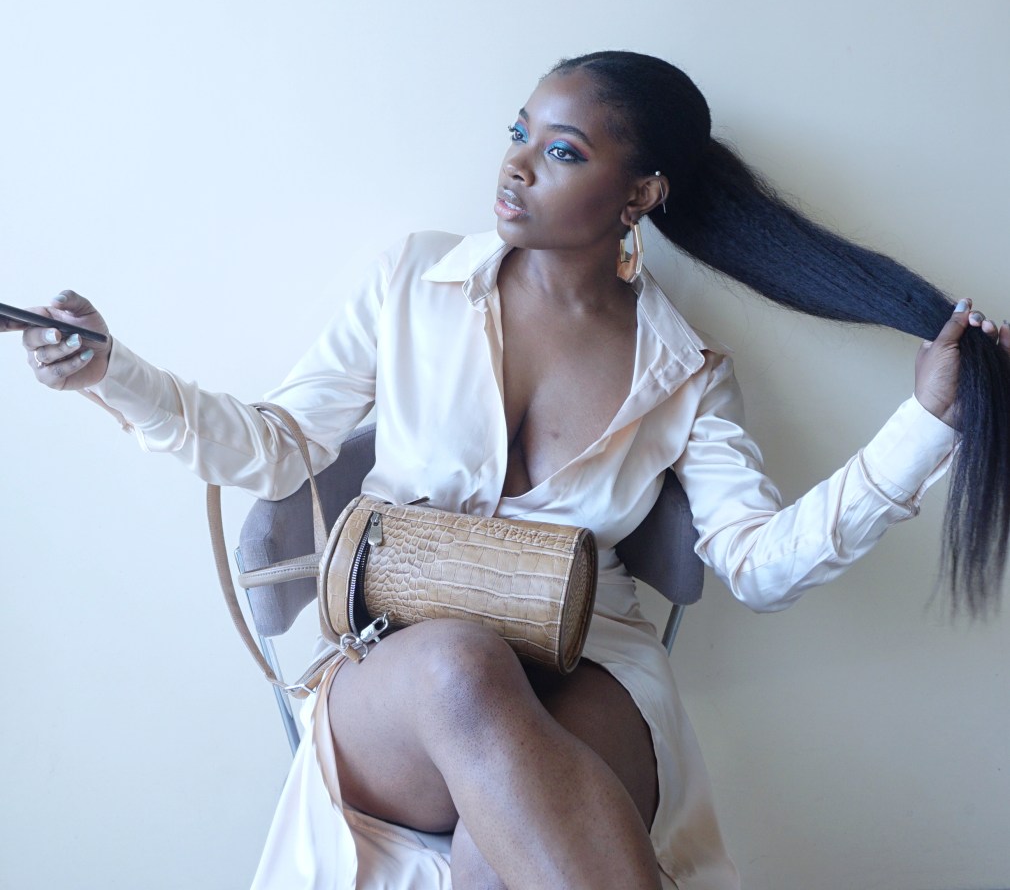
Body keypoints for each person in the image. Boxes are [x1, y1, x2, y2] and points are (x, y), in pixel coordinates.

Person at [4, 51, 1008, 890]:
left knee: (504, 858)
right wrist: (111, 371)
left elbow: (756, 563)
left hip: (589, 664)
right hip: (399, 659)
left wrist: (922, 421)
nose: (517, 164)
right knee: (462, 664)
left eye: (560, 150)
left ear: (640, 196)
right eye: (518, 130)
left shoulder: (686, 372)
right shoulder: (410, 281)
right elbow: (272, 447)